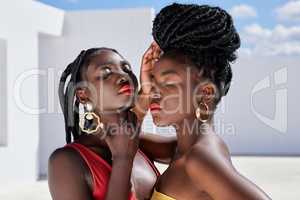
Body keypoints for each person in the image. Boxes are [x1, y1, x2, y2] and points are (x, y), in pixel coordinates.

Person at [140, 3, 272, 200]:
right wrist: (143, 89)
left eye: (167, 83)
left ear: (206, 93)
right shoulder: (182, 148)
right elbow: (124, 139)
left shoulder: (199, 160)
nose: (154, 92)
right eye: (153, 80)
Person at [48, 48, 175, 200]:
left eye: (127, 69)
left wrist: (149, 89)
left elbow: (196, 148)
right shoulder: (66, 161)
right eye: (106, 73)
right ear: (83, 94)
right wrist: (122, 159)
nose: (123, 76)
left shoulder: (137, 143)